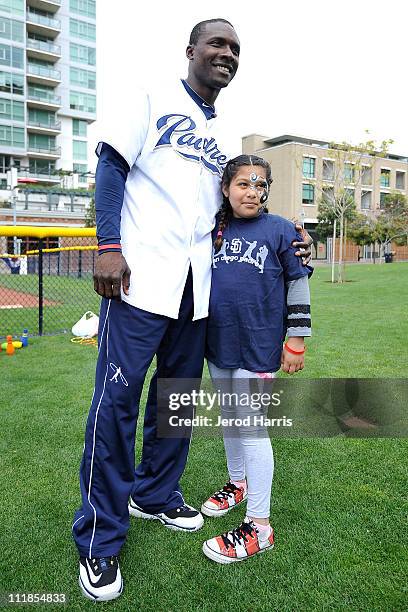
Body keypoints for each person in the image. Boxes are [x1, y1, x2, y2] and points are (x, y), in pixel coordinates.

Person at [73, 19, 312, 601]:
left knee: (175, 404)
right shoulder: (150, 97)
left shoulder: (228, 133)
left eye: (235, 48)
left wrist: (290, 234)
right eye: (217, 44)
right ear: (191, 51)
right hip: (137, 281)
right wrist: (108, 247)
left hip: (197, 291)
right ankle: (100, 538)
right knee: (118, 407)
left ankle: (154, 494)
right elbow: (111, 168)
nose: (226, 54)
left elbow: (234, 209)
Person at [200, 154, 312, 563]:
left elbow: (298, 283)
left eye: (260, 185)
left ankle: (259, 525)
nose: (253, 191)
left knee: (250, 427)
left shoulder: (281, 229)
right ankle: (237, 483)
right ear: (226, 188)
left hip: (260, 345)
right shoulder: (212, 229)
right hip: (218, 343)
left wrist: (297, 340)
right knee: (230, 420)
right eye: (243, 184)